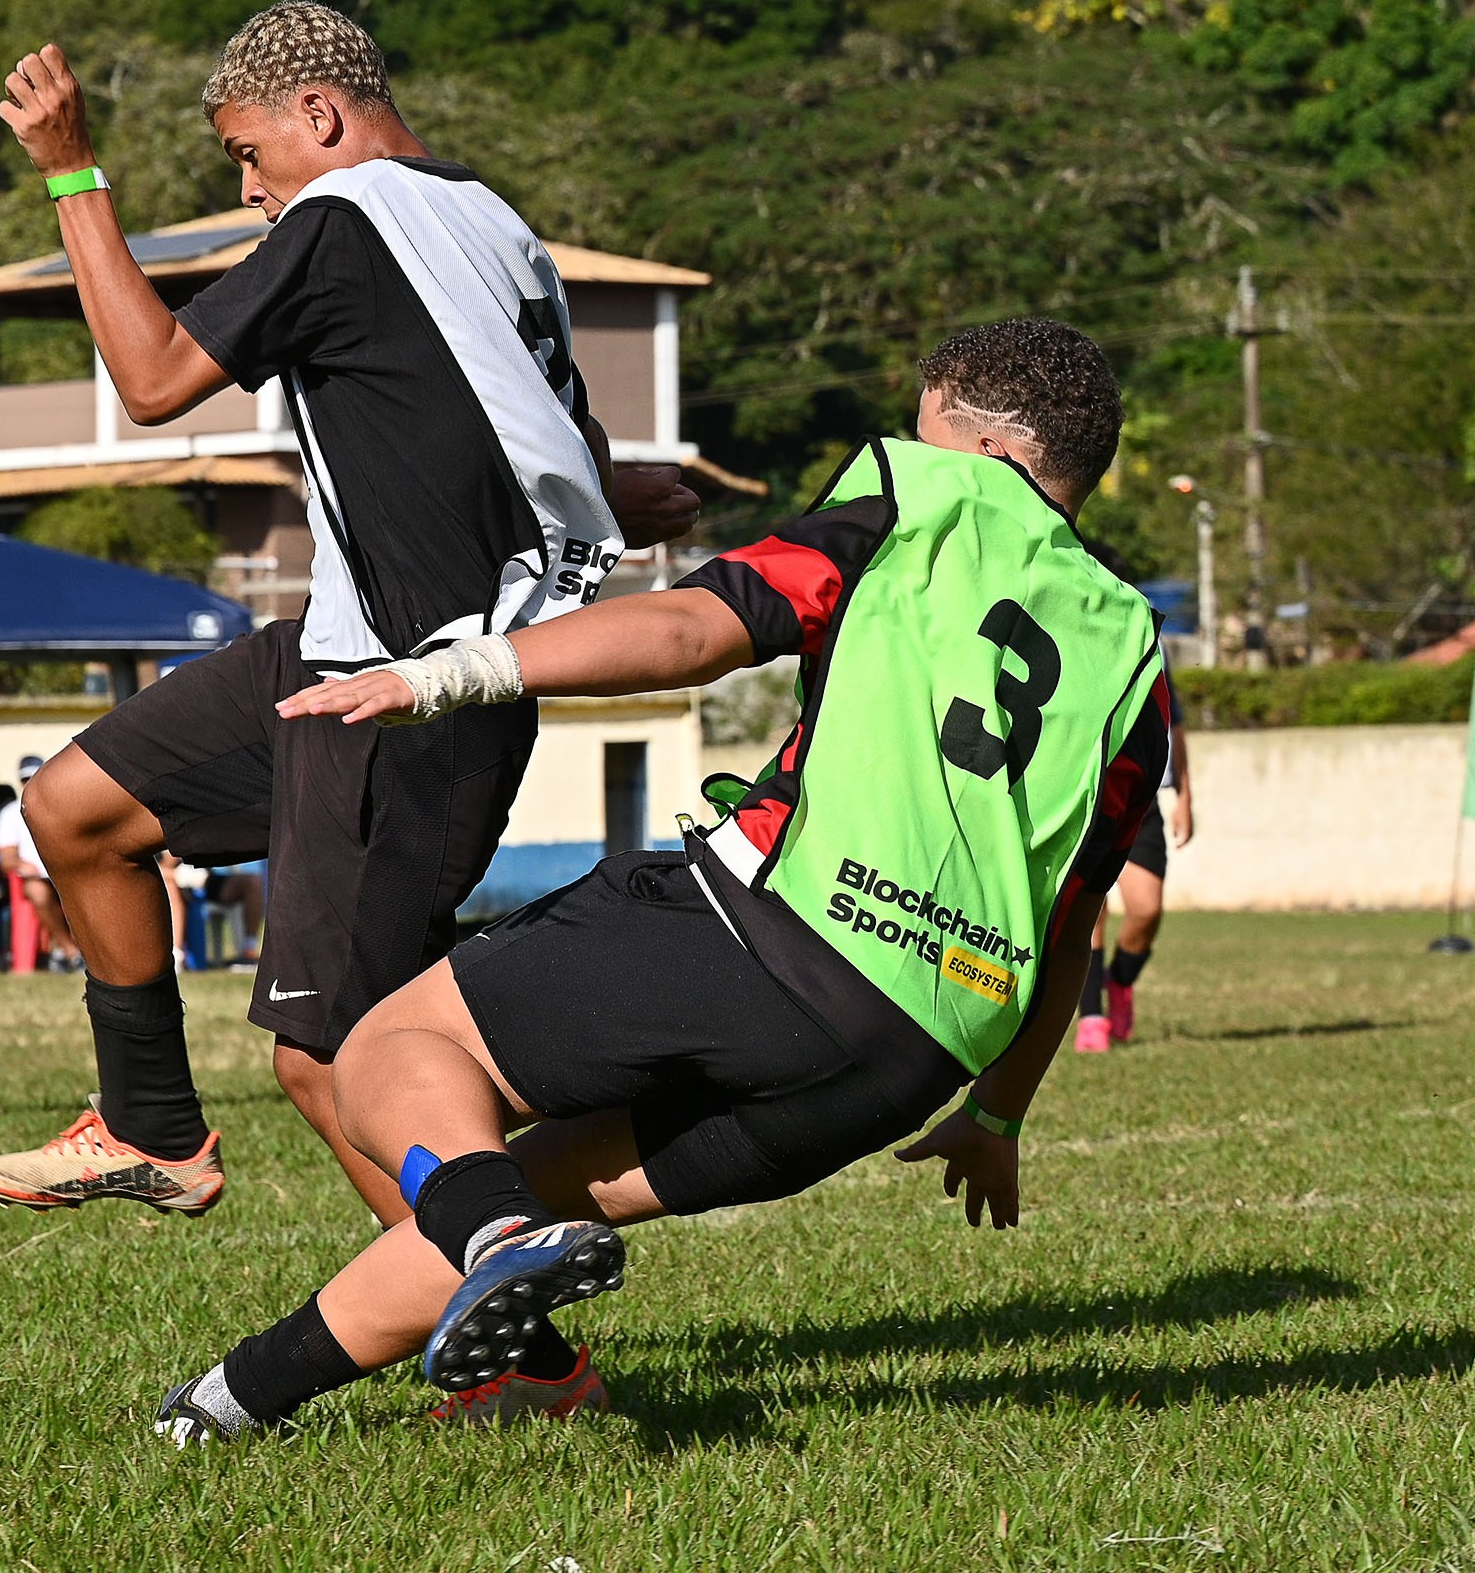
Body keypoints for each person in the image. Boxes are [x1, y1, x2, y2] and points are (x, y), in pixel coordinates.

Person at [151, 319, 1169, 1442]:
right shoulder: (1132, 646)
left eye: (924, 424)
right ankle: (228, 1402)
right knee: (529, 1187)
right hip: (913, 1054)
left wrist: (458, 670)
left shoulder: (918, 491)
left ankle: (491, 1239)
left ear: (979, 444)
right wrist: (996, 1113)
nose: (906, 441)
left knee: (386, 1053)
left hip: (771, 933)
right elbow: (1068, 926)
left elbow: (697, 627)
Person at [0, 1, 700, 1231]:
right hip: (338, 651)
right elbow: (546, 427)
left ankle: (512, 1337)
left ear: (318, 115)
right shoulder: (492, 220)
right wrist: (610, 489)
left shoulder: (342, 214)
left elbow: (151, 382)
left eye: (247, 156)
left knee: (338, 1058)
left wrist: (73, 175)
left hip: (408, 693)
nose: (254, 193)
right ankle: (152, 1124)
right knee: (75, 807)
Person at [1074, 660, 1193, 1050]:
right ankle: (1091, 1016)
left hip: (1141, 795)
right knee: (1090, 907)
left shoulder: (1152, 638)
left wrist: (1185, 797)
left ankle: (1120, 981)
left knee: (1146, 910)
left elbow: (1172, 719)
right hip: (1088, 787)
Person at [0, 756, 80, 971]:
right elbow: (7, 859)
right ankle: (71, 951)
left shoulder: (65, 807)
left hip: (65, 874)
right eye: (25, 779)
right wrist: (24, 867)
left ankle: (69, 952)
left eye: (34, 777)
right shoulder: (10, 814)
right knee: (38, 893)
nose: (29, 784)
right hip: (34, 877)